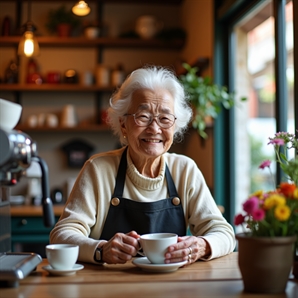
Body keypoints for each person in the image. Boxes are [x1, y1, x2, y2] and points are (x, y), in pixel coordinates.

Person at [50, 65, 236, 265]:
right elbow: (62, 235)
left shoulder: (185, 170)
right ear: (123, 124)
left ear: (175, 125)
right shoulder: (98, 169)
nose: (154, 128)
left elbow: (224, 233)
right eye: (143, 116)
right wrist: (101, 249)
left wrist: (202, 245)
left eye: (165, 118)